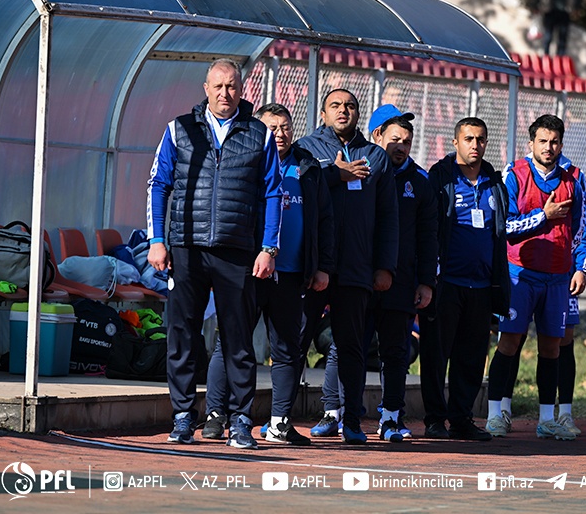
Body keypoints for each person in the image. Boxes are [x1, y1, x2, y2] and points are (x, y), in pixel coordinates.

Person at [147, 58, 282, 448]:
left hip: (238, 250)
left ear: (242, 90)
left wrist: (268, 248)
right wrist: (159, 240)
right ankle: (183, 416)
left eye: (233, 87)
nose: (226, 93)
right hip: (186, 248)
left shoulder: (260, 134)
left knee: (238, 338)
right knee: (182, 334)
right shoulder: (179, 129)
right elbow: (158, 184)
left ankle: (240, 420)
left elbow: (272, 193)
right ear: (205, 88)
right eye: (218, 86)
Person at [202, 103, 335, 446]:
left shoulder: (309, 167)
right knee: (232, 342)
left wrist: (322, 266)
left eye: (285, 126)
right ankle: (217, 415)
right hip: (250, 271)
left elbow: (324, 220)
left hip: (292, 275)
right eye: (272, 127)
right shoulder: (246, 162)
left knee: (288, 349)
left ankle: (279, 422)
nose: (279, 133)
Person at [309, 105, 438, 443]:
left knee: (395, 350)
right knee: (345, 344)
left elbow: (428, 236)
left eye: (407, 142)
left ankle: (391, 417)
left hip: (398, 281)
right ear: (377, 136)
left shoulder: (420, 182)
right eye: (395, 139)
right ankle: (332, 411)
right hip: (357, 275)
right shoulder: (355, 166)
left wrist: (425, 280)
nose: (401, 147)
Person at [296, 89, 399, 445]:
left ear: (359, 114)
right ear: (323, 112)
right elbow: (298, 191)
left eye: (350, 106)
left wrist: (385, 266)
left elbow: (388, 217)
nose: (343, 111)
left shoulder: (377, 157)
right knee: (296, 342)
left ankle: (352, 421)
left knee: (352, 346)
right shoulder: (306, 148)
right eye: (336, 106)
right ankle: (280, 418)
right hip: (313, 267)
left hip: (357, 267)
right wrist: (333, 173)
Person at [485, 114, 586, 441]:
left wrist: (581, 267)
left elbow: (583, 227)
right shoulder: (514, 174)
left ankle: (547, 419)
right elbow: (505, 228)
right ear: (531, 143)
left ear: (562, 143)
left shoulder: (574, 178)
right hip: (520, 275)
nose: (549, 147)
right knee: (509, 343)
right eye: (543, 141)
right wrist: (542, 217)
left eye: (555, 141)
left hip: (558, 278)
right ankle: (495, 413)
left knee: (552, 348)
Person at [420, 117, 510, 441]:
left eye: (481, 139)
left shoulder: (495, 184)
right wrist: (428, 276)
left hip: (482, 286)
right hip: (447, 283)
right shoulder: (440, 178)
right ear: (455, 142)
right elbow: (428, 228)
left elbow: (500, 235)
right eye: (469, 139)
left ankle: (461, 419)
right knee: (435, 354)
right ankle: (434, 419)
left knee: (471, 358)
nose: (475, 145)